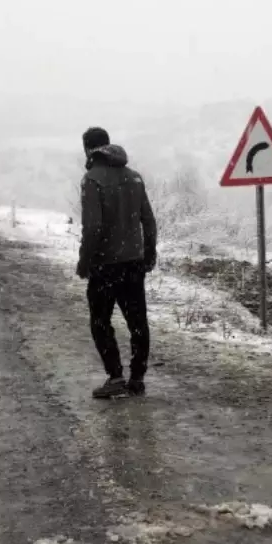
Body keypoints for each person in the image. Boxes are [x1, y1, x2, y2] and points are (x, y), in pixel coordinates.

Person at [76, 126, 158, 399]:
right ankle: (137, 378)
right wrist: (149, 254)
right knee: (137, 322)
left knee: (100, 322)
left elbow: (93, 228)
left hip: (105, 265)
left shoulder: (92, 179)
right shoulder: (134, 178)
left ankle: (115, 375)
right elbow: (148, 219)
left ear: (88, 149)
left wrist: (85, 262)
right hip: (133, 262)